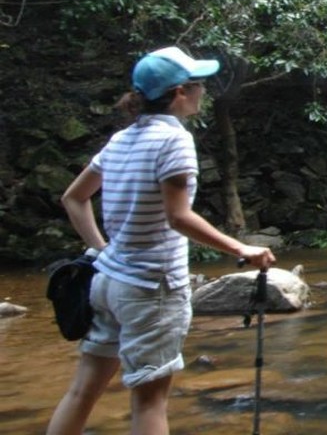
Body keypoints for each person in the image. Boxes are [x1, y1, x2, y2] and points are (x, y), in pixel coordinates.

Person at [46, 45, 276, 435]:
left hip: (107, 283)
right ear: (181, 92)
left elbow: (74, 198)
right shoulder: (175, 141)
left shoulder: (120, 140)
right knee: (150, 401)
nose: (204, 91)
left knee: (83, 391)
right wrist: (242, 248)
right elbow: (178, 215)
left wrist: (104, 250)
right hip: (151, 288)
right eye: (199, 84)